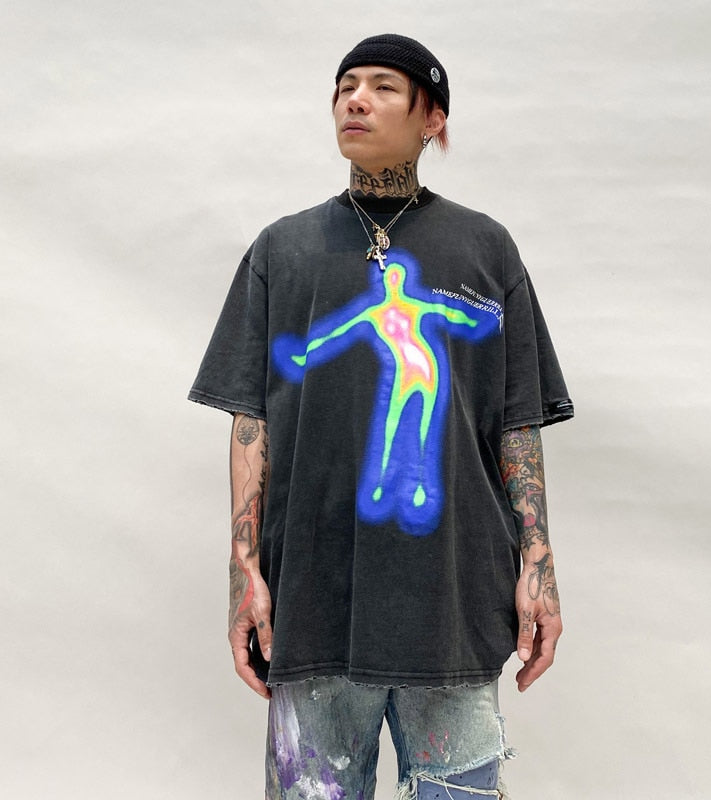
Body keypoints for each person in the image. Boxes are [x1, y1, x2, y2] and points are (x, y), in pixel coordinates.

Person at [189, 33, 573, 800]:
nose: (355, 100)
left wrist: (539, 565)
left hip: (453, 609)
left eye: (382, 87)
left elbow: (516, 424)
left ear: (432, 117)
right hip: (313, 608)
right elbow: (251, 421)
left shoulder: (486, 249)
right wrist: (243, 575)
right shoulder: (282, 250)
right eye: (345, 87)